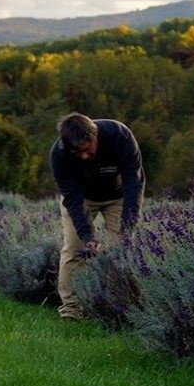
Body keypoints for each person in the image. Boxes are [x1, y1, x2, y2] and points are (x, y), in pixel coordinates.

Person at [49, 112, 145, 320]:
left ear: (95, 135)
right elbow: (73, 198)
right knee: (74, 250)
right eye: (77, 153)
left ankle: (120, 307)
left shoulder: (120, 135)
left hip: (118, 197)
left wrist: (129, 224)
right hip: (82, 198)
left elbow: (133, 181)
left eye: (86, 149)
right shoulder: (60, 155)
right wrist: (88, 237)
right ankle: (71, 312)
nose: (83, 156)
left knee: (122, 249)